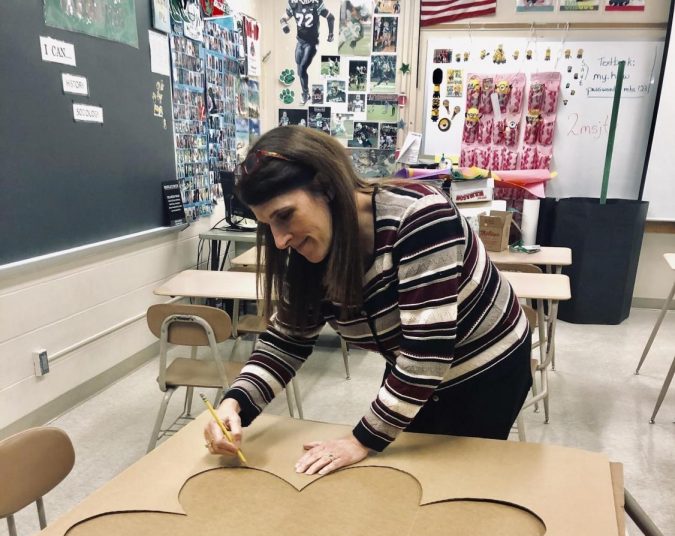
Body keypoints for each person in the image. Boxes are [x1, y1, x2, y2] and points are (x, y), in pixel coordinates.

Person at [204, 128, 532, 475]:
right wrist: (235, 403)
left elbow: (427, 355)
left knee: (457, 479)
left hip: (486, 368)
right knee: (404, 472)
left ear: (328, 186)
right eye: (268, 224)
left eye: (284, 215)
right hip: (412, 362)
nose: (280, 240)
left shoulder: (420, 217)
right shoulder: (310, 250)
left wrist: (361, 440)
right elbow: (287, 340)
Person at [280, 1, 334, 105]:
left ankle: (305, 94)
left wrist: (331, 33)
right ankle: (306, 93)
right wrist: (284, 24)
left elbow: (330, 17)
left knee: (302, 68)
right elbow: (283, 18)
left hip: (312, 43)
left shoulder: (316, 4)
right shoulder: (294, 4)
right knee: (299, 70)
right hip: (300, 42)